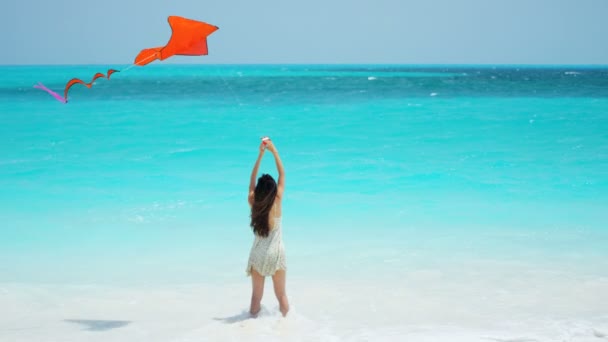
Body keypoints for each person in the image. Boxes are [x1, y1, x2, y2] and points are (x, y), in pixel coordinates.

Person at [246, 137, 289, 317]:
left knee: (256, 298)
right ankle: (287, 326)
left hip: (258, 254)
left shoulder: (253, 202)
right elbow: (282, 175)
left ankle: (248, 327)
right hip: (276, 254)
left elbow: (252, 178)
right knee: (281, 296)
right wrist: (274, 150)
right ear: (272, 191)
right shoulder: (277, 202)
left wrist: (260, 155)